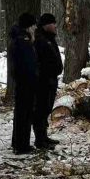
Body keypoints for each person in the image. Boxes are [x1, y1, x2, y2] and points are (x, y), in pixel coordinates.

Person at [9, 13, 38, 154]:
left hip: (23, 81)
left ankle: (18, 142)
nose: (35, 28)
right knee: (24, 114)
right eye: (33, 25)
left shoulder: (20, 39)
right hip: (25, 82)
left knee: (22, 113)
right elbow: (28, 64)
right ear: (29, 26)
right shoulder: (23, 40)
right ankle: (21, 145)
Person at [32, 13, 62, 150]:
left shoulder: (49, 39)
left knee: (46, 109)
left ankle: (44, 137)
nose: (55, 26)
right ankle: (40, 140)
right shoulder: (40, 40)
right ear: (46, 25)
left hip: (51, 80)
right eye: (53, 23)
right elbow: (39, 62)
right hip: (43, 81)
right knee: (41, 110)